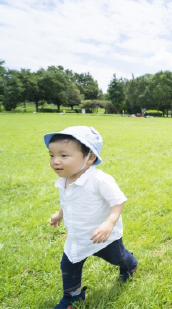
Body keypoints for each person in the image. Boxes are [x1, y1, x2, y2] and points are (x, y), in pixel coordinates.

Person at [45, 126, 138, 308]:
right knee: (68, 266)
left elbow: (118, 202)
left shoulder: (100, 180)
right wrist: (60, 214)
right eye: (51, 155)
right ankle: (73, 297)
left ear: (90, 158)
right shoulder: (65, 179)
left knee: (117, 258)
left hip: (103, 237)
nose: (56, 161)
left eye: (64, 156)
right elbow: (68, 201)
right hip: (77, 237)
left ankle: (130, 263)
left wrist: (109, 223)